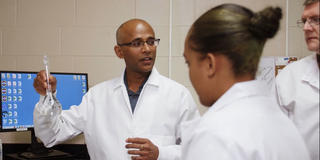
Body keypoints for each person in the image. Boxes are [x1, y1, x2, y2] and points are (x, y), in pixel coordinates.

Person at [33, 19, 199, 160]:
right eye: (137, 43)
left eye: (151, 41)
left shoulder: (178, 95)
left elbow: (198, 150)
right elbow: (50, 136)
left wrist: (161, 153)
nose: (147, 49)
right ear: (119, 52)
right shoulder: (97, 97)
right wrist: (46, 96)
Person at [181, 3, 310, 160]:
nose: (189, 72)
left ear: (210, 64)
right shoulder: (285, 125)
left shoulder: (215, 134)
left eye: (189, 63)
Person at [275, 0, 319, 159]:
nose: (306, 28)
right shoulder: (289, 78)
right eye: (304, 21)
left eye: (316, 20)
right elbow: (276, 142)